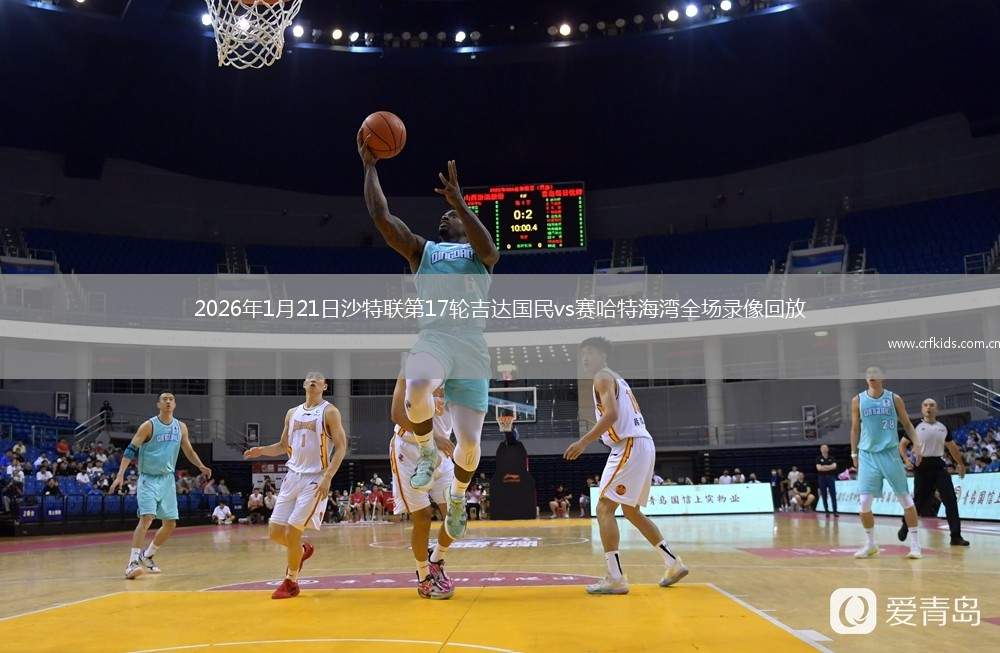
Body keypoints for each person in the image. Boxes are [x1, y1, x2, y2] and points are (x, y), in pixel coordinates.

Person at [360, 133, 499, 542]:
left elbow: (491, 250)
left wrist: (461, 205)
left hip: (470, 345)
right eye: (444, 215)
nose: (444, 218)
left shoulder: (478, 255)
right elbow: (382, 217)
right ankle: (425, 450)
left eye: (450, 216)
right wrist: (369, 167)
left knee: (469, 445)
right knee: (417, 383)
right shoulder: (424, 251)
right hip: (435, 336)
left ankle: (457, 497)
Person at [564, 337, 688, 594]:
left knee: (604, 508)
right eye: (582, 353)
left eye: (590, 352)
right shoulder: (616, 378)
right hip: (642, 443)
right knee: (631, 511)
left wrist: (584, 441)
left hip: (629, 444)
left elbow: (612, 415)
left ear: (603, 355)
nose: (585, 357)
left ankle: (615, 577)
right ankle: (673, 563)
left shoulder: (602, 377)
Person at [244, 372, 348, 599]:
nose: (313, 380)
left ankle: (291, 581)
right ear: (303, 384)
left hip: (315, 478)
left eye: (318, 379)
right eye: (309, 378)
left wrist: (328, 477)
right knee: (275, 532)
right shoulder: (292, 413)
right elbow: (283, 446)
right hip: (292, 476)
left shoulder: (329, 412)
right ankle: (301, 550)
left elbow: (341, 447)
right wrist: (262, 451)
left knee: (292, 531)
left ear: (325, 386)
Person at [109, 392, 212, 579]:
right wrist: (120, 474)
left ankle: (147, 555)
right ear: (158, 404)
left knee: (170, 524)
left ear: (175, 404)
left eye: (171, 399)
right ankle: (132, 563)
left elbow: (189, 450)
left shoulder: (180, 427)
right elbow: (131, 449)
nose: (168, 401)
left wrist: (200, 465)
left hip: (167, 480)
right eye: (164, 399)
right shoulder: (148, 426)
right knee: (147, 518)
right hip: (148, 478)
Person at [389, 373, 458, 598]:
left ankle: (435, 560)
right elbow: (397, 414)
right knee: (422, 517)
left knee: (456, 515)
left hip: (441, 452)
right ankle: (423, 577)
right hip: (409, 449)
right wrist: (433, 437)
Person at [851, 366, 922, 559]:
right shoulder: (858, 400)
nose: (872, 376)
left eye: (875, 374)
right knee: (864, 504)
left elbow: (907, 424)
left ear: (882, 377)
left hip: (890, 453)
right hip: (867, 455)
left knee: (905, 499)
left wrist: (916, 443)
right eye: (868, 374)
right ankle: (871, 544)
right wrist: (853, 453)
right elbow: (855, 428)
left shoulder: (894, 398)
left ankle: (915, 545)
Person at [898, 398, 969, 546]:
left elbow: (952, 447)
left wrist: (960, 463)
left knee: (950, 500)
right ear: (922, 409)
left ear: (936, 409)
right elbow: (902, 445)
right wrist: (906, 460)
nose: (928, 407)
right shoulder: (915, 426)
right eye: (925, 405)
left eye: (931, 405)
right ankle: (905, 525)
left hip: (939, 466)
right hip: (922, 467)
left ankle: (956, 536)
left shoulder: (943, 427)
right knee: (919, 503)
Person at [815, 444, 839, 515]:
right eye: (823, 448)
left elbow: (834, 466)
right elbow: (819, 468)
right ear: (820, 450)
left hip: (831, 477)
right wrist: (829, 467)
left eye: (825, 448)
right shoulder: (818, 458)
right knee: (824, 495)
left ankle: (835, 511)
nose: (824, 449)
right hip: (822, 478)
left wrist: (824, 466)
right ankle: (826, 511)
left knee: (833, 494)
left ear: (828, 449)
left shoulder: (832, 458)